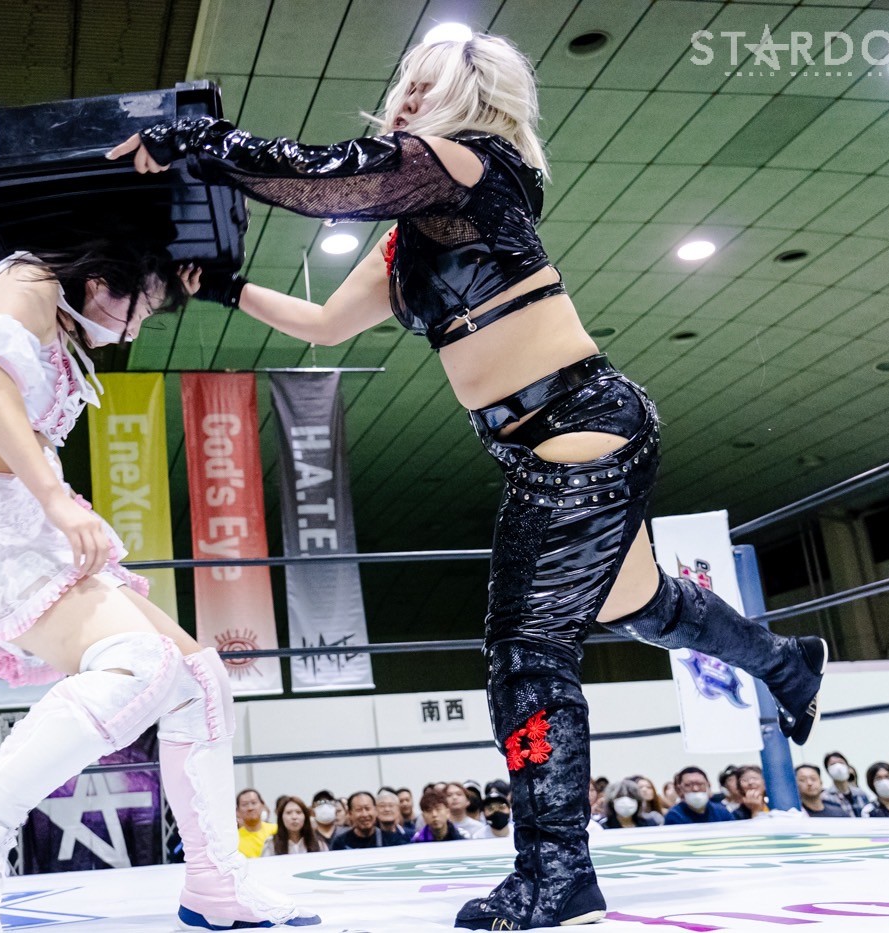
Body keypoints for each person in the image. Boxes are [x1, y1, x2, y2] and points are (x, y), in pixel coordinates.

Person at [110, 28, 828, 932]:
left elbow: (327, 175)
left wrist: (199, 141)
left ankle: (557, 873)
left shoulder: (470, 165)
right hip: (556, 439)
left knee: (526, 646)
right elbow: (325, 324)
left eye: (425, 86)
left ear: (465, 98)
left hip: (578, 427)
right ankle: (786, 663)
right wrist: (222, 287)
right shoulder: (414, 230)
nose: (406, 98)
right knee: (637, 604)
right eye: (405, 85)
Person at [0, 236, 315, 933]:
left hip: (30, 514)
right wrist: (55, 501)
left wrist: (177, 275)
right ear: (101, 280)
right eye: (140, 309)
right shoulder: (26, 279)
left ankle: (215, 882)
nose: (135, 330)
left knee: (202, 680)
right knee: (142, 663)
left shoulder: (55, 310)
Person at [330, 792, 409, 849]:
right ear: (350, 814)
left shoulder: (391, 840)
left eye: (367, 809)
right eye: (359, 810)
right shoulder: (341, 843)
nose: (364, 814)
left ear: (375, 810)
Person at [663, 767, 735, 825]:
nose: (695, 789)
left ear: (708, 785)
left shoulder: (721, 812)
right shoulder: (674, 816)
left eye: (700, 784)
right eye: (688, 785)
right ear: (680, 790)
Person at [262, 797, 327, 855]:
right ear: (281, 818)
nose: (294, 817)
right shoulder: (271, 844)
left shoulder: (319, 843)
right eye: (288, 813)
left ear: (305, 817)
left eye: (298, 812)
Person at [821, 752, 872, 816]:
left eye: (841, 762)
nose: (838, 766)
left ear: (847, 767)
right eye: (833, 764)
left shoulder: (861, 794)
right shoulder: (825, 798)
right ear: (828, 770)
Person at [236, 789, 278, 858]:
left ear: (262, 805)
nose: (250, 808)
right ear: (237, 811)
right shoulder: (234, 839)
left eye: (254, 803)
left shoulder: (276, 830)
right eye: (244, 804)